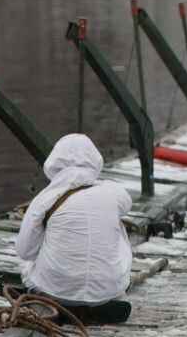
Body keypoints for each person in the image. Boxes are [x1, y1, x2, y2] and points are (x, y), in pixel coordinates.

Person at [16, 134, 133, 323]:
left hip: (55, 291)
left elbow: (25, 251)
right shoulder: (114, 192)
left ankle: (54, 305)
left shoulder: (44, 199)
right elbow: (126, 203)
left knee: (28, 261)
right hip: (105, 292)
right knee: (117, 224)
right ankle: (99, 303)